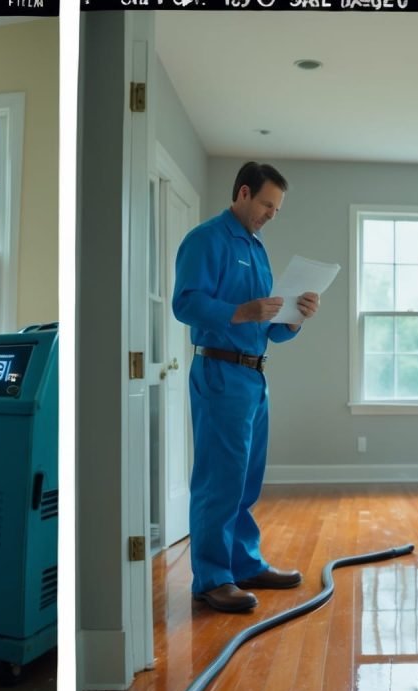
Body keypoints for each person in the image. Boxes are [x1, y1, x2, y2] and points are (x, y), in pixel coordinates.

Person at [171, 161, 320, 613]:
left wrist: (296, 316)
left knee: (246, 480)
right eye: (267, 205)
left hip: (254, 376)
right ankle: (212, 579)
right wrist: (242, 312)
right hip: (220, 373)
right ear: (242, 193)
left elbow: (269, 327)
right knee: (220, 479)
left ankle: (244, 564)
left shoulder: (257, 249)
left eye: (276, 209)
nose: (271, 214)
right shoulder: (206, 239)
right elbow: (186, 303)